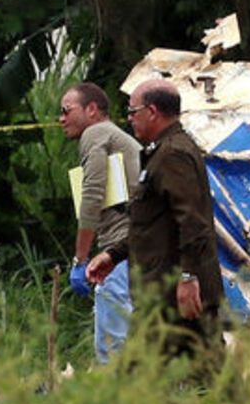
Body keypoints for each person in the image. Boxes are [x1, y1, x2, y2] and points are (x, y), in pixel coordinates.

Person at [86, 79, 223, 369]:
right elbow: (152, 225)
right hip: (165, 291)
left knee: (140, 376)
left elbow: (193, 222)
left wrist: (188, 278)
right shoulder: (163, 152)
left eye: (132, 111)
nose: (129, 119)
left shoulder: (173, 155)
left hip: (172, 293)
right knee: (211, 373)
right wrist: (114, 255)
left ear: (152, 111)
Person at [59, 81, 141, 365]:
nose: (61, 118)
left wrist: (80, 259)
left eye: (66, 110)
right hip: (137, 244)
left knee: (112, 344)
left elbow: (92, 193)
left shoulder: (95, 133)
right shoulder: (115, 136)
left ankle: (117, 392)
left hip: (121, 246)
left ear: (91, 109)